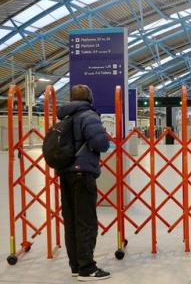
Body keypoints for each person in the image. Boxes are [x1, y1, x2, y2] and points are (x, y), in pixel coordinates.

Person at [56, 85, 111, 281]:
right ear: (89, 98)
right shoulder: (88, 116)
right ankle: (87, 268)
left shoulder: (65, 117)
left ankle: (75, 265)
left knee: (70, 220)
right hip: (83, 174)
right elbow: (101, 144)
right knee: (86, 221)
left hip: (65, 173)